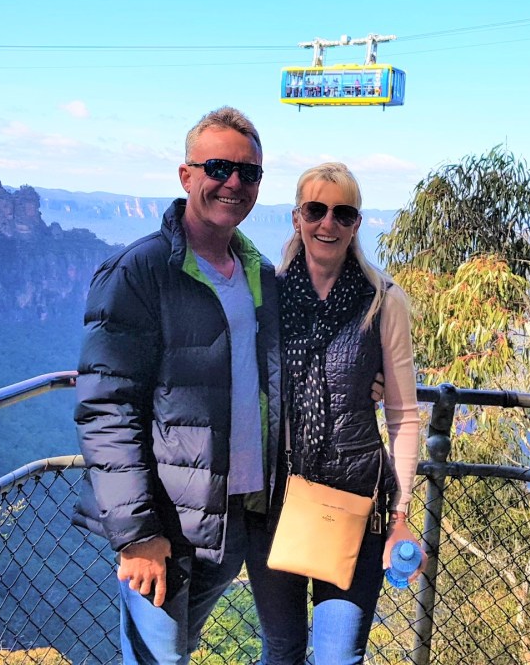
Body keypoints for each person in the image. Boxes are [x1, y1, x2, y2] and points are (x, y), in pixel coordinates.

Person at [73, 106, 282, 665]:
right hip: (164, 524)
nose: (234, 183)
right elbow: (106, 406)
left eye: (250, 173)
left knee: (180, 650)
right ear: (186, 174)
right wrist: (138, 534)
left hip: (233, 514)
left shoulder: (257, 271)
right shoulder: (140, 270)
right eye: (218, 167)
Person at [245, 162, 424, 665]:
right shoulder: (266, 296)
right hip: (275, 499)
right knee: (280, 650)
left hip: (353, 503)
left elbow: (404, 415)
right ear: (297, 217)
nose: (329, 223)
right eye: (316, 210)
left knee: (339, 655)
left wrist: (401, 515)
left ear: (357, 224)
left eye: (343, 213)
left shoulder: (383, 302)